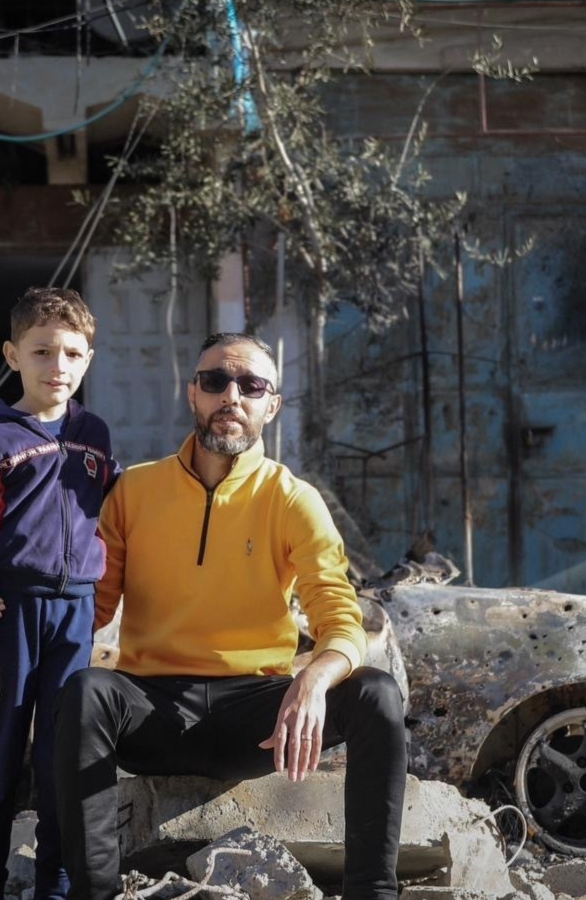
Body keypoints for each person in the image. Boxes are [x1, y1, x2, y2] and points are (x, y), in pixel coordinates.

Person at [51, 333, 406, 900]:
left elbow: (339, 612)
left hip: (256, 719)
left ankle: (373, 893)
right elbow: (91, 606)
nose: (231, 396)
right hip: (153, 709)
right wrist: (7, 611)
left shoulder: (292, 498)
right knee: (87, 690)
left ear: (272, 404)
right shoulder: (134, 491)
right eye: (215, 381)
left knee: (377, 696)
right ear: (193, 393)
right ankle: (93, 892)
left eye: (251, 385)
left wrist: (315, 677)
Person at [0, 287, 119, 900]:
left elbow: (117, 519)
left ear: (88, 359)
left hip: (76, 616)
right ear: (13, 355)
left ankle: (57, 887)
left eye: (73, 353)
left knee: (61, 769)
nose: (58, 366)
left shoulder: (94, 436)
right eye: (43, 352)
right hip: (9, 618)